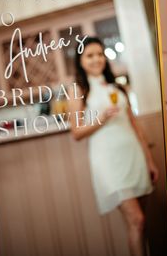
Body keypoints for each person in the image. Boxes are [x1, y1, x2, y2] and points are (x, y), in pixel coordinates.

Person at [68, 37, 159, 256]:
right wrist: (101, 119)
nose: (96, 59)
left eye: (100, 54)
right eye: (90, 55)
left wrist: (149, 160)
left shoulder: (117, 87)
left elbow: (135, 126)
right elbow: (76, 133)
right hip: (108, 161)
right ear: (80, 61)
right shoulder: (78, 90)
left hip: (133, 156)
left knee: (140, 224)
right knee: (137, 219)